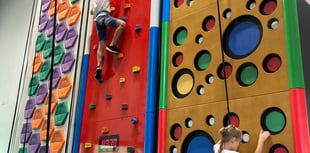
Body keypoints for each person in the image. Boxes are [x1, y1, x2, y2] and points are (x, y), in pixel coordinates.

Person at [91, 0, 126, 82]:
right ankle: (112, 45)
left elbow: (91, 12)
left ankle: (98, 66)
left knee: (101, 45)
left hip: (97, 20)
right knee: (122, 24)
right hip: (104, 16)